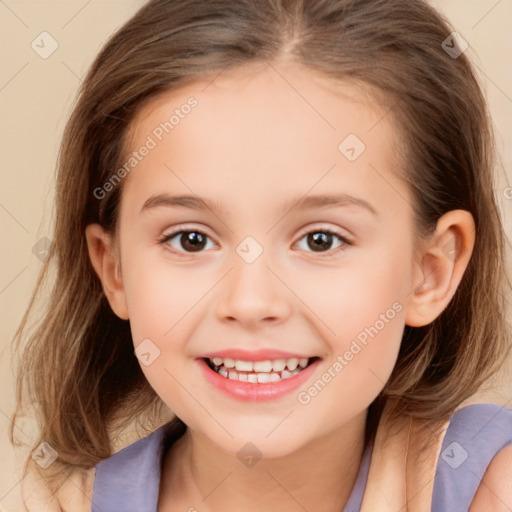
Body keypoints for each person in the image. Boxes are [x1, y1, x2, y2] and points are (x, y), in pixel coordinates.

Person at [10, 0, 512, 510]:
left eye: (321, 240)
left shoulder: (489, 486)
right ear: (114, 270)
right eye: (191, 239)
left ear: (430, 271)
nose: (250, 302)